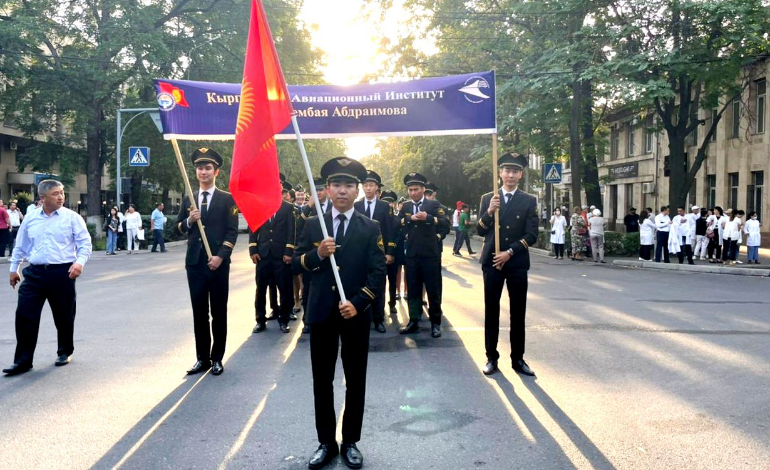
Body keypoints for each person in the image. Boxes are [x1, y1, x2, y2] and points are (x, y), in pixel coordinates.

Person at [292, 157, 386, 470]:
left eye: (349, 185)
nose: (342, 190)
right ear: (328, 189)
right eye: (337, 185)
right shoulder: (312, 224)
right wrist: (316, 255)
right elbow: (294, 264)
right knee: (322, 380)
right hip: (321, 313)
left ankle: (350, 442)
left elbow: (377, 271)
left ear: (357, 190)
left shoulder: (370, 226)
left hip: (354, 315)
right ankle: (326, 442)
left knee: (355, 380)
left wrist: (359, 302)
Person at [3, 179, 92, 376]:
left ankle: (64, 351)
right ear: (43, 198)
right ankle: (23, 361)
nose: (61, 197)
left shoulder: (72, 217)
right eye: (56, 194)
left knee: (64, 316)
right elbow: (21, 245)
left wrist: (79, 263)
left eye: (62, 193)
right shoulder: (31, 218)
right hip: (34, 273)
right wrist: (14, 267)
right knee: (25, 315)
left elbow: (85, 243)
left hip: (62, 273)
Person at [176, 148, 239, 376]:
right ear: (195, 173)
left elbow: (232, 232)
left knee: (218, 312)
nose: (203, 172)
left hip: (218, 265)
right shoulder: (188, 199)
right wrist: (190, 220)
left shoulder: (227, 199)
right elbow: (178, 228)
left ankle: (217, 358)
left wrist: (221, 256)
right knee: (199, 313)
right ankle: (201, 358)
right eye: (200, 168)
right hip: (195, 265)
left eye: (208, 168)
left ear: (216, 172)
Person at [476, 152, 538, 377]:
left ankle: (518, 359)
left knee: (517, 312)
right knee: (491, 310)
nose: (510, 175)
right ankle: (491, 357)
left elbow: (532, 234)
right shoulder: (488, 198)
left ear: (520, 175)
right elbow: (480, 230)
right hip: (492, 261)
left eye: (515, 171)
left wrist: (510, 252)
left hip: (516, 262)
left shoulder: (529, 200)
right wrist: (490, 211)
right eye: (507, 170)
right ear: (500, 173)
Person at [397, 172, 450, 338]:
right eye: (410, 190)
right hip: (412, 255)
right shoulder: (405, 207)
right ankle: (413, 320)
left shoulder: (433, 205)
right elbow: (396, 224)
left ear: (423, 189)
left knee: (433, 289)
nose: (413, 193)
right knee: (413, 289)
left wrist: (429, 218)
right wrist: (408, 223)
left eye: (416, 189)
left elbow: (446, 224)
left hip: (430, 254)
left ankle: (435, 323)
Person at [250, 177, 296, 334]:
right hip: (263, 255)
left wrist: (289, 251)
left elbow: (291, 232)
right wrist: (253, 250)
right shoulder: (259, 205)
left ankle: (283, 320)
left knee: (284, 288)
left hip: (281, 256)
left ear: (281, 187)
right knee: (261, 289)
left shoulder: (288, 208)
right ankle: (260, 320)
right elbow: (253, 229)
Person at [354, 170, 395, 334]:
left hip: (379, 253)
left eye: (371, 185)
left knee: (378, 285)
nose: (368, 188)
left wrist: (390, 251)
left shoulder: (384, 206)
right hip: (359, 253)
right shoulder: (356, 205)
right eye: (365, 185)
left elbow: (390, 229)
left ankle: (378, 319)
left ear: (377, 188)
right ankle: (363, 316)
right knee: (360, 284)